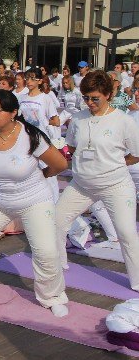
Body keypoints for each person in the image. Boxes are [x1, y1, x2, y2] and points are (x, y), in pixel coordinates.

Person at [0, 90, 70, 317]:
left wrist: (43, 175)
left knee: (46, 251)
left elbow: (60, 164)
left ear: (14, 113)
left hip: (34, 200)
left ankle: (52, 297)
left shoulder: (30, 136)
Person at [55, 70, 139, 291]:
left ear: (108, 95)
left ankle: (137, 281)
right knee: (56, 221)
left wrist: (113, 164)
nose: (89, 103)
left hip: (116, 185)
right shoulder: (78, 119)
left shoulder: (124, 121)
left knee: (127, 234)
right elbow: (72, 146)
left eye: (95, 98)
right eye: (86, 98)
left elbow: (136, 154)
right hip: (81, 185)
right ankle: (57, 265)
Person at [19, 68, 60, 201]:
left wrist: (41, 120)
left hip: (42, 139)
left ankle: (54, 203)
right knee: (27, 171)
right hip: (26, 139)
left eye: (32, 78)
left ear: (40, 81)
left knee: (49, 172)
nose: (29, 81)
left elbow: (56, 120)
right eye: (27, 78)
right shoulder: (21, 98)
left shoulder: (45, 98)